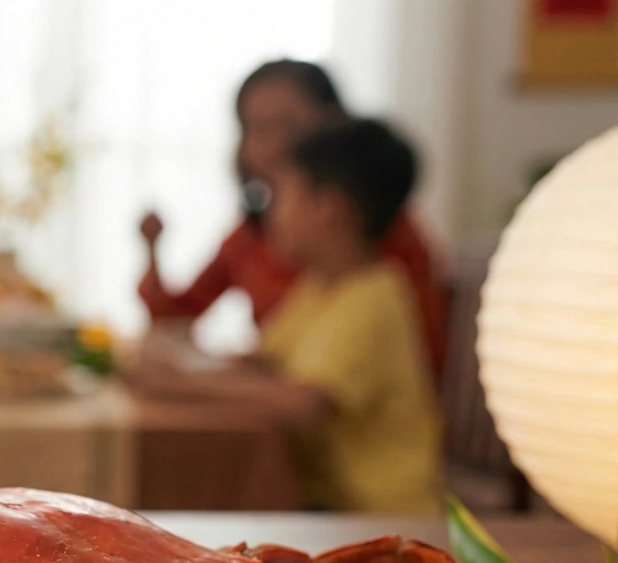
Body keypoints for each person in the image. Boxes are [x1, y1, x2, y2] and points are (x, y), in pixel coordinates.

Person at [129, 119, 441, 516]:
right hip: (326, 502)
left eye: (280, 194)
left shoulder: (373, 296)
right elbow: (264, 363)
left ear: (327, 210)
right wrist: (181, 360)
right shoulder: (320, 286)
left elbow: (304, 402)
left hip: (373, 516)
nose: (270, 212)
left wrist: (180, 381)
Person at [138, 60, 446, 378]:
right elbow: (273, 363)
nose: (272, 147)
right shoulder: (284, 262)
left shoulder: (374, 265)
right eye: (256, 129)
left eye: (286, 125)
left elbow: (420, 363)